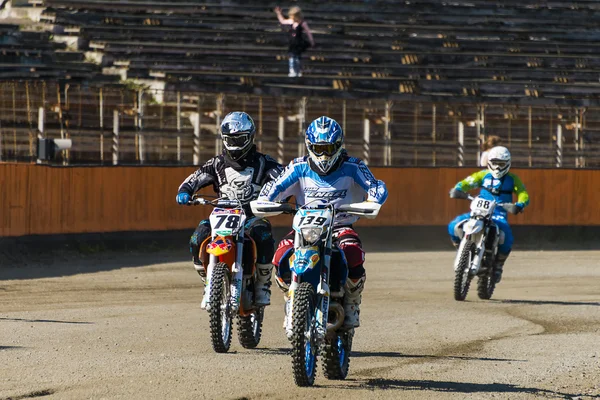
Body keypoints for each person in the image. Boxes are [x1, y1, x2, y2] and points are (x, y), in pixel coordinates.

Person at [257, 116, 388, 329]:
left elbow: (376, 186)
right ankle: (292, 296)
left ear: (339, 145)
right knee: (280, 255)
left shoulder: (353, 166)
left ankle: (352, 302)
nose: (324, 154)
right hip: (305, 229)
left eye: (329, 148)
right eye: (319, 148)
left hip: (340, 227)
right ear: (309, 146)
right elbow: (274, 188)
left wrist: (373, 200)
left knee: (353, 251)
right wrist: (265, 201)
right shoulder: (298, 167)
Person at [176, 111, 283, 306]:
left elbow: (284, 180)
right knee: (198, 237)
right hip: (222, 215)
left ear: (250, 137)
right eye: (229, 139)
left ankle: (263, 285)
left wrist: (279, 198)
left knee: (263, 233)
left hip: (252, 215)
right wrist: (184, 191)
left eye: (239, 139)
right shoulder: (216, 163)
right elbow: (194, 179)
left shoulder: (265, 163)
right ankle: (208, 281)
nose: (234, 144)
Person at [448, 146, 530, 283]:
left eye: (501, 164)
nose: (497, 167)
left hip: (498, 212)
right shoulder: (482, 175)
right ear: (489, 162)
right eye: (495, 163)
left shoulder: (512, 179)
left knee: (507, 237)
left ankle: (498, 265)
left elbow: (523, 193)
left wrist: (520, 205)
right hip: (478, 210)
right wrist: (458, 189)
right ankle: (460, 249)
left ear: (508, 164)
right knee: (453, 225)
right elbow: (468, 182)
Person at [274, 5, 315, 77]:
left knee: (297, 58)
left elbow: (308, 32)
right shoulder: (291, 21)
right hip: (292, 43)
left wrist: (311, 40)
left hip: (299, 43)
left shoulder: (302, 23)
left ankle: (298, 71)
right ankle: (292, 70)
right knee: (292, 57)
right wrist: (279, 13)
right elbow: (283, 21)